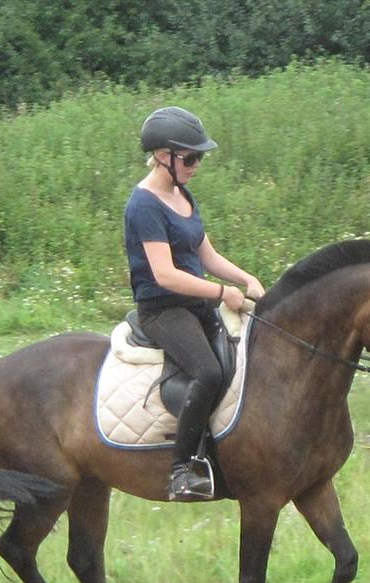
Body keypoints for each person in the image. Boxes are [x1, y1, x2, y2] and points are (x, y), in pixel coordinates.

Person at [125, 106, 265, 501]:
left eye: (198, 157)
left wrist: (245, 278)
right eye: (190, 158)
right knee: (207, 371)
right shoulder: (144, 206)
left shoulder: (181, 194)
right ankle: (181, 471)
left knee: (240, 360)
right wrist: (223, 293)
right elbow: (165, 274)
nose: (196, 165)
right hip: (163, 309)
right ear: (163, 156)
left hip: (195, 304)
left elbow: (206, 255)